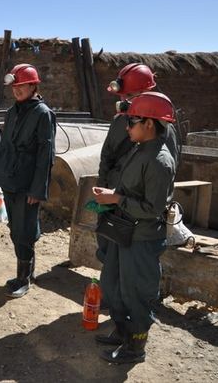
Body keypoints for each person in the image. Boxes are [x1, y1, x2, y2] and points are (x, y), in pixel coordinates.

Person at [92, 92, 177, 364]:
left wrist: (117, 198)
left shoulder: (159, 161)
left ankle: (135, 348)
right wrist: (112, 193)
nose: (127, 128)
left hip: (142, 238)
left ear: (150, 124)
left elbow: (152, 209)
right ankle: (122, 331)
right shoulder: (140, 149)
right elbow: (131, 189)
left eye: (132, 122)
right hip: (124, 231)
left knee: (137, 293)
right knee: (113, 285)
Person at [96, 63, 181, 262]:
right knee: (107, 250)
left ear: (146, 91)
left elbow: (165, 170)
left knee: (131, 260)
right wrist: (103, 186)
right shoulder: (120, 119)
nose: (124, 100)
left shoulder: (162, 127)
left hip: (136, 210)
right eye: (122, 96)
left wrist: (125, 199)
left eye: (130, 95)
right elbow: (107, 155)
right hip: (111, 198)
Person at [0, 64, 56, 298]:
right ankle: (24, 273)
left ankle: (24, 278)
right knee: (15, 228)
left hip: (28, 182)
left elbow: (45, 155)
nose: (17, 90)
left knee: (25, 229)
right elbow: (5, 147)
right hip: (11, 179)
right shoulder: (13, 112)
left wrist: (37, 190)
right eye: (14, 86)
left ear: (33, 85)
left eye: (22, 86)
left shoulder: (43, 114)